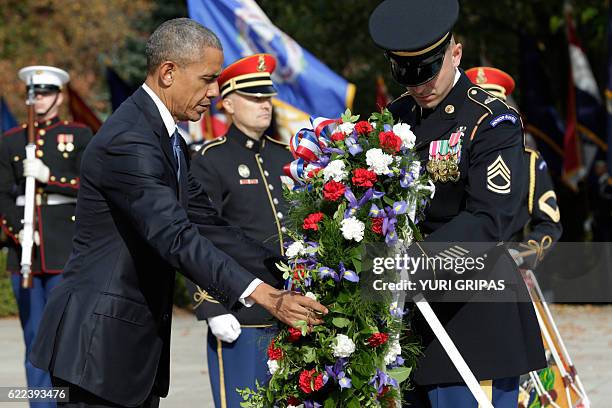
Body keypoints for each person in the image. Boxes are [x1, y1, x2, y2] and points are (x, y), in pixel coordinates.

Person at [29, 18, 327, 408]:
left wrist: (292, 269)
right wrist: (267, 297)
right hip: (96, 348)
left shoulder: (165, 136)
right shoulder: (130, 139)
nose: (214, 92)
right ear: (168, 72)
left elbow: (209, 224)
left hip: (129, 350)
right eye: (207, 79)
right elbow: (175, 235)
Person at [369, 1, 546, 407]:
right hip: (409, 321)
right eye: (407, 73)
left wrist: (413, 264)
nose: (420, 84)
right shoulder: (394, 117)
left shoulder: (491, 119)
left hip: (473, 318)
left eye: (429, 70)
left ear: (456, 53)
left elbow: (489, 219)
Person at [187, 53, 293, 407]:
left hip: (294, 309)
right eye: (254, 97)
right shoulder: (210, 160)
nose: (265, 105)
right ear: (228, 104)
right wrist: (211, 306)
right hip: (242, 312)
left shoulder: (287, 157)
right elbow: (194, 236)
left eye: (267, 97)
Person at [0, 65, 93, 408]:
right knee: (35, 337)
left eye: (45, 93)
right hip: (26, 254)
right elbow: (2, 196)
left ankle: (69, 402)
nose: (38, 100)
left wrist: (49, 177)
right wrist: (19, 230)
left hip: (64, 250)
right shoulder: (11, 141)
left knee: (67, 338)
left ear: (59, 96)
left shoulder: (79, 135)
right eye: (33, 94)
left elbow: (93, 187)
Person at [465, 66, 563, 268]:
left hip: (506, 269)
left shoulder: (529, 161)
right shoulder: (448, 158)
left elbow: (549, 224)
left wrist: (520, 254)